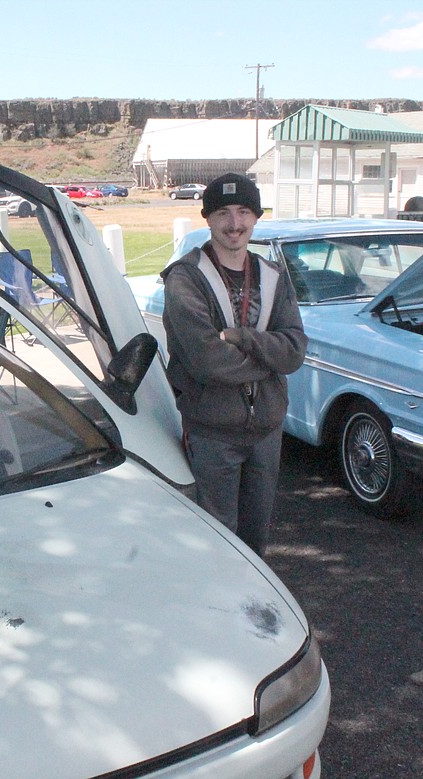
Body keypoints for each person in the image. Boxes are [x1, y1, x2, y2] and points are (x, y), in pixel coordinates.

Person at [161, 173, 307, 558]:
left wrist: (243, 339)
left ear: (256, 217)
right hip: (212, 432)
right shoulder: (185, 279)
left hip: (266, 430)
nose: (235, 224)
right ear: (207, 218)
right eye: (223, 213)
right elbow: (208, 361)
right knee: (217, 539)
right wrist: (270, 359)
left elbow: (294, 350)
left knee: (255, 539)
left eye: (244, 212)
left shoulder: (274, 277)